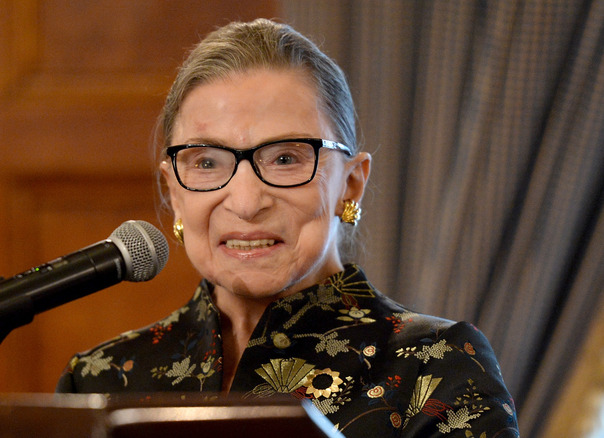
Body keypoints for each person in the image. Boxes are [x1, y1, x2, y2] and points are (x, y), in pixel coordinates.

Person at [57, 18, 519, 437]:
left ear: (351, 184)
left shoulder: (438, 364)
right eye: (205, 162)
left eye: (284, 159)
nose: (245, 202)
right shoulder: (101, 377)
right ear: (175, 193)